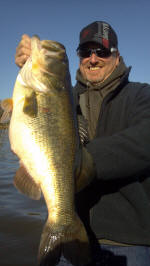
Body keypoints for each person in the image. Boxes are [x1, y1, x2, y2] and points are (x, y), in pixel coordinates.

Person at [15, 21, 150, 266]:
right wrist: (28, 68)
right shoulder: (64, 97)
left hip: (127, 241)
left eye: (102, 51)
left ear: (117, 56)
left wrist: (83, 162)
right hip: (70, 238)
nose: (93, 58)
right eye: (85, 52)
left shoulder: (142, 95)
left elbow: (145, 140)